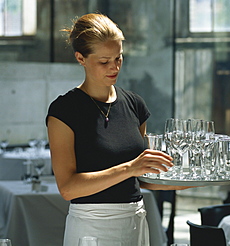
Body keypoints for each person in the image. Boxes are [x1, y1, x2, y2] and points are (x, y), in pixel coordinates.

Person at [46, 13, 188, 246]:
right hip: (92, 227)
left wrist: (199, 179)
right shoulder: (64, 110)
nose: (114, 67)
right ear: (80, 58)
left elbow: (142, 178)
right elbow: (68, 188)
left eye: (119, 58)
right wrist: (130, 167)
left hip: (136, 221)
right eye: (104, 61)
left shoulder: (135, 104)